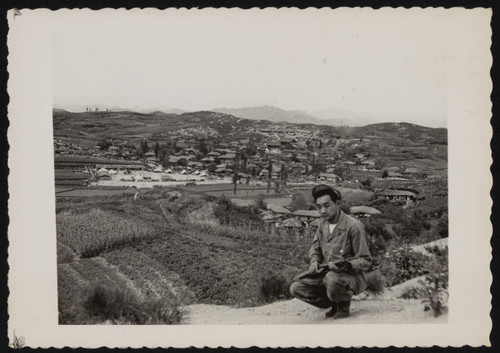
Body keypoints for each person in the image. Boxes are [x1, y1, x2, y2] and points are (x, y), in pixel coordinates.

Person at [289, 184, 372, 319]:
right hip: (326, 273)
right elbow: (315, 247)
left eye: (327, 205)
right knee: (296, 287)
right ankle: (333, 301)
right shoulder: (323, 224)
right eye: (319, 207)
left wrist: (345, 265)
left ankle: (343, 305)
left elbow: (365, 260)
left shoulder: (353, 226)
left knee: (332, 279)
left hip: (350, 277)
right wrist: (314, 261)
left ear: (337, 204)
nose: (322, 211)